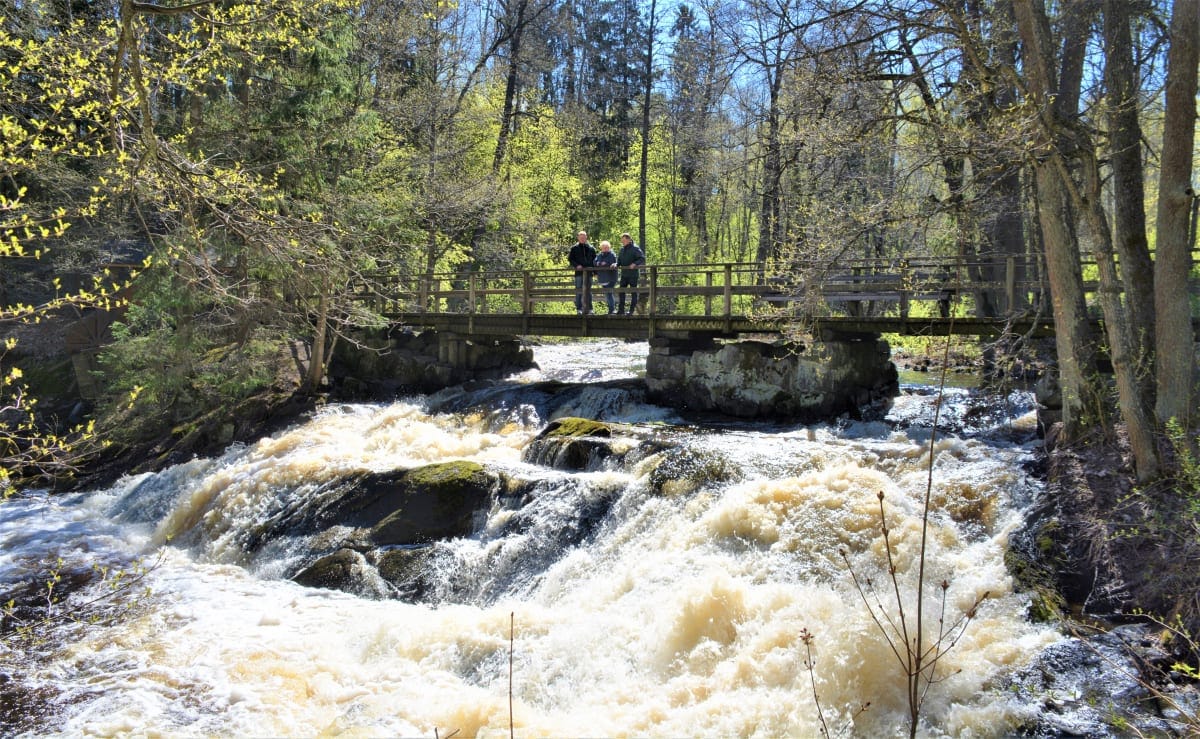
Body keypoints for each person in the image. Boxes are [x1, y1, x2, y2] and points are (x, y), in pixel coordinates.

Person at [616, 233, 645, 315]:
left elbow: (642, 258)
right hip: (624, 274)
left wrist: (635, 264)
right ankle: (621, 310)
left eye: (624, 240)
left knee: (633, 292)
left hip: (633, 274)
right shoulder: (622, 249)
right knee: (621, 291)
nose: (623, 242)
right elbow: (619, 261)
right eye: (622, 241)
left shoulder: (635, 248)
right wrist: (616, 264)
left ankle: (632, 311)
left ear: (629, 240)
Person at [568, 231, 597, 314]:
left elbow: (594, 261)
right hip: (579, 273)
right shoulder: (574, 248)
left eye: (584, 237)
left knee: (589, 291)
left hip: (589, 273)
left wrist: (595, 272)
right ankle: (579, 309)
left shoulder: (591, 248)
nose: (582, 239)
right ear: (578, 238)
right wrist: (577, 265)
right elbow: (571, 259)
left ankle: (590, 309)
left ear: (586, 237)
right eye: (581, 237)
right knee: (578, 291)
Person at [594, 240, 618, 314]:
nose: (605, 249)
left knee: (609, 293)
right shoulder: (599, 255)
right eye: (604, 247)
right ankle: (611, 309)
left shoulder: (612, 255)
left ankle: (612, 310)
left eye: (607, 247)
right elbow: (595, 262)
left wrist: (604, 263)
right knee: (607, 294)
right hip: (603, 278)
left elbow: (611, 263)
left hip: (611, 278)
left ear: (609, 247)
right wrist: (599, 263)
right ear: (601, 248)